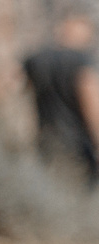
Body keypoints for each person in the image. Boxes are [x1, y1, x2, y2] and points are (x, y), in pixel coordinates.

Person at [23, 13, 99, 187]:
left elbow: (10, 87)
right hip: (77, 146)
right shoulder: (81, 62)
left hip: (45, 142)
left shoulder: (36, 59)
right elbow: (91, 103)